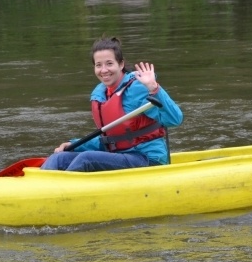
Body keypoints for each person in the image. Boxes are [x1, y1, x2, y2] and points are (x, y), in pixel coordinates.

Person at [40, 36, 183, 172]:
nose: (104, 70)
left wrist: (154, 88)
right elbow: (109, 139)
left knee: (87, 159)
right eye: (98, 65)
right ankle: (43, 185)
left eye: (109, 63)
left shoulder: (138, 88)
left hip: (148, 159)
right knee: (58, 158)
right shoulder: (101, 94)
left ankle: (64, 188)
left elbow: (175, 119)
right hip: (118, 156)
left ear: (121, 64)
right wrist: (74, 144)